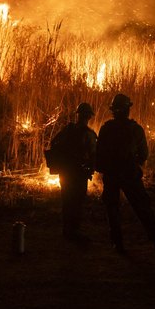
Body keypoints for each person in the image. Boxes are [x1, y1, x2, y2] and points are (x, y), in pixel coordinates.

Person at [96, 93, 155, 254]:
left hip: (112, 174)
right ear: (128, 110)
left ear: (113, 111)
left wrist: (104, 168)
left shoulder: (106, 129)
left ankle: (117, 244)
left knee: (112, 210)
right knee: (142, 207)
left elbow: (99, 155)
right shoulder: (136, 129)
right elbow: (144, 155)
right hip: (130, 174)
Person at [48, 102, 98, 242]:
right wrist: (90, 168)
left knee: (67, 200)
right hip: (79, 174)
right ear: (89, 117)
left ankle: (67, 229)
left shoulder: (68, 130)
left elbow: (54, 143)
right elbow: (94, 156)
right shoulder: (89, 135)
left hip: (66, 172)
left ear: (78, 115)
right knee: (77, 201)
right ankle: (74, 231)